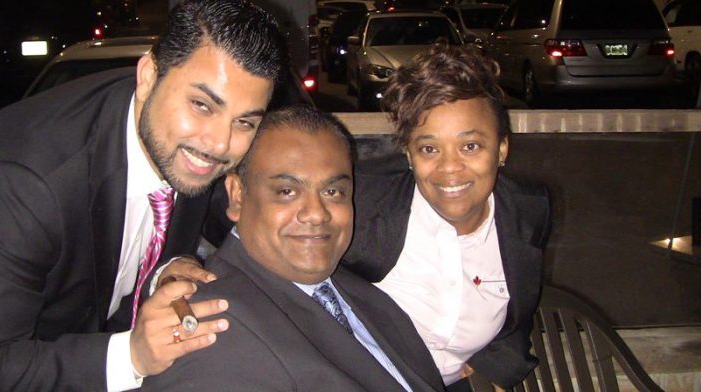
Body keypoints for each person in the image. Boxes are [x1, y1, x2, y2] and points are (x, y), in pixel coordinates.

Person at [0, 0, 288, 391]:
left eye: (245, 122)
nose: (220, 144)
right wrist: (133, 355)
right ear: (149, 76)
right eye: (202, 105)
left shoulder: (174, 134)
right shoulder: (23, 182)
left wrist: (163, 271)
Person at [142, 106, 445, 392]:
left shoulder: (365, 295)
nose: (316, 213)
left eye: (332, 191)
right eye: (286, 191)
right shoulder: (211, 331)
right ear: (237, 196)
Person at [342, 44, 552, 391]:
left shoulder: (527, 212)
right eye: (429, 148)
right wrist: (223, 274)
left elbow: (519, 311)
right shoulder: (363, 203)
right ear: (408, 153)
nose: (450, 168)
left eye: (470, 146)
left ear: (501, 149)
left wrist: (499, 366)